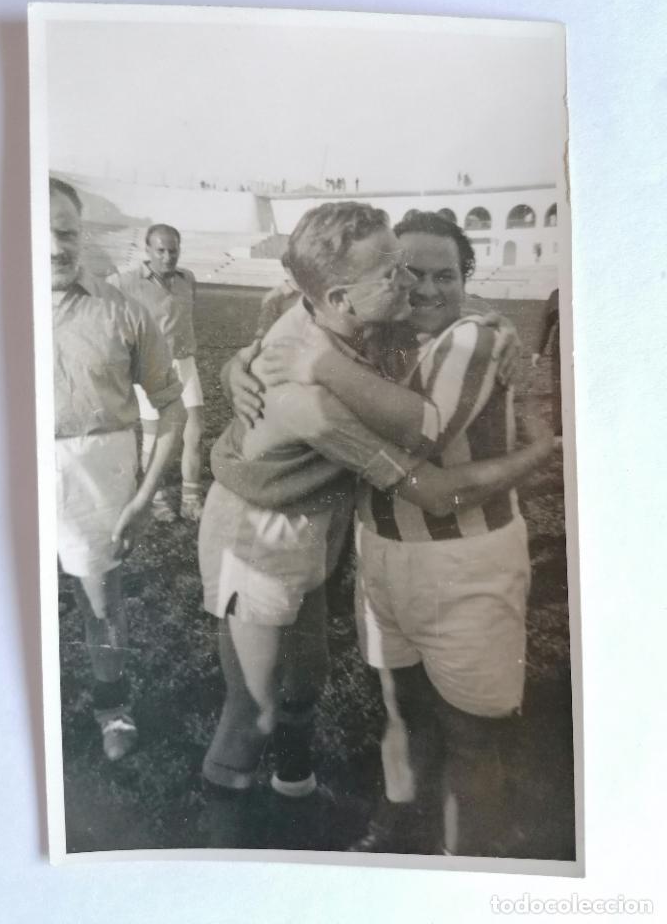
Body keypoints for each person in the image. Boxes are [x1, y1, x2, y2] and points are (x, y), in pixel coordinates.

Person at [200, 202, 553, 848]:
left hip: (319, 528)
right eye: (394, 273)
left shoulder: (337, 320)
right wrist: (537, 453)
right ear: (340, 295)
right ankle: (224, 856)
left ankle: (294, 796)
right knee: (252, 705)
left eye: (414, 269)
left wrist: (493, 323)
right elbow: (435, 489)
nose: (410, 286)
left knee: (305, 684)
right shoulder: (307, 395)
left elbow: (285, 323)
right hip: (257, 535)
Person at [51, 178, 186, 760]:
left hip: (95, 472)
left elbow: (174, 408)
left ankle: (113, 708)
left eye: (66, 231)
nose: (57, 247)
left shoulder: (121, 310)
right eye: (42, 232)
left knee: (101, 603)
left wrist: (144, 496)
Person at [109, 224, 205, 522]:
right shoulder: (125, 281)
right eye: (160, 250)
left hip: (185, 365)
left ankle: (191, 497)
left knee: (196, 432)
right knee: (155, 436)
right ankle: (156, 497)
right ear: (147, 250)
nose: (167, 257)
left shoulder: (187, 279)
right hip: (150, 367)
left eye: (173, 250)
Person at [532, 288, 562, 436]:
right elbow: (546, 323)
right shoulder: (557, 294)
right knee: (559, 385)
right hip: (562, 341)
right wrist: (538, 350)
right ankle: (560, 429)